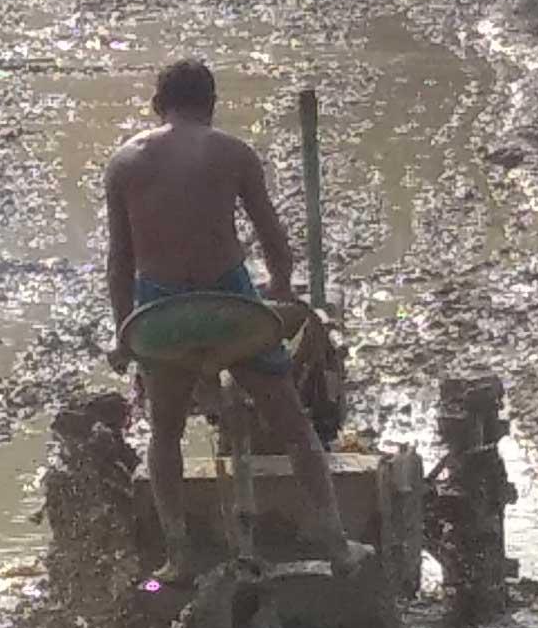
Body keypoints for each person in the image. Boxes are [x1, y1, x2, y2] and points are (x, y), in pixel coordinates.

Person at [101, 57, 355, 568]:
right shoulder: (233, 153)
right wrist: (280, 291)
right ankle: (334, 541)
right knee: (291, 422)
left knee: (166, 432)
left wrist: (122, 333)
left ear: (157, 106)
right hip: (229, 303)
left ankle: (176, 556)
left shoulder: (124, 162)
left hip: (162, 307)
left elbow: (120, 257)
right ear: (212, 107)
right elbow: (272, 238)